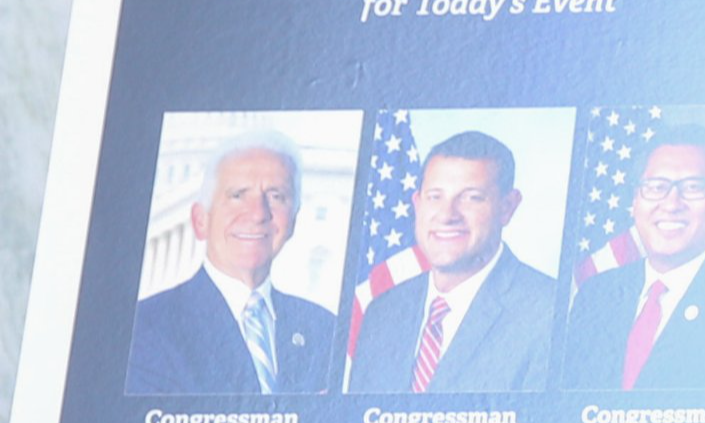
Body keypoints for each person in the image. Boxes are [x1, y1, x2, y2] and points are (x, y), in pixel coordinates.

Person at [559, 125, 705, 390]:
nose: (671, 204)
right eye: (656, 187)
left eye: (693, 187)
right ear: (636, 199)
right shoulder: (596, 294)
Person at [127, 132, 339, 395]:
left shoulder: (326, 330)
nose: (259, 213)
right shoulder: (145, 328)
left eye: (276, 196)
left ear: (293, 220)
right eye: (238, 195)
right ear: (200, 220)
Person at [344, 130, 556, 393]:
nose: (447, 215)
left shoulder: (549, 312)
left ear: (507, 207)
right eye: (435, 196)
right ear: (417, 204)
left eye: (471, 197)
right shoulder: (382, 312)